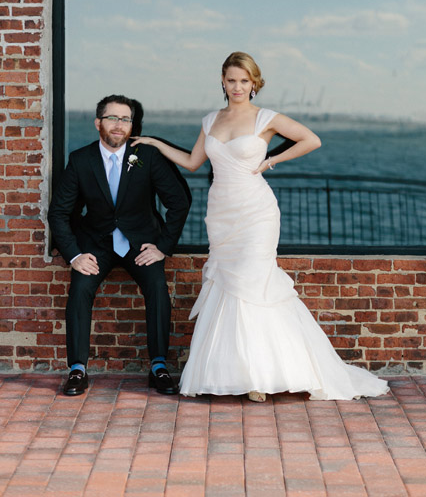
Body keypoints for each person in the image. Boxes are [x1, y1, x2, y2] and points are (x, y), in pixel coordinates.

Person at [133, 53, 389, 401]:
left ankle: (259, 379)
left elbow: (311, 139)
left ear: (254, 83)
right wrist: (155, 143)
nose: (238, 86)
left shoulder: (266, 118)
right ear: (222, 82)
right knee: (229, 286)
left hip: (256, 212)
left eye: (244, 80)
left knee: (254, 284)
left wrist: (272, 159)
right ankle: (237, 374)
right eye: (232, 80)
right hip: (222, 215)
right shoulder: (211, 120)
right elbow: (194, 162)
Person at [48, 94, 191, 397]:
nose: (119, 125)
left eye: (125, 119)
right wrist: (74, 255)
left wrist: (163, 246)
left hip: (141, 244)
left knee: (156, 287)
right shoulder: (80, 160)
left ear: (132, 125)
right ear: (98, 122)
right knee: (80, 288)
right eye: (113, 118)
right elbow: (59, 212)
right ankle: (77, 369)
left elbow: (178, 202)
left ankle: (159, 366)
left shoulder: (147, 157)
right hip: (96, 244)